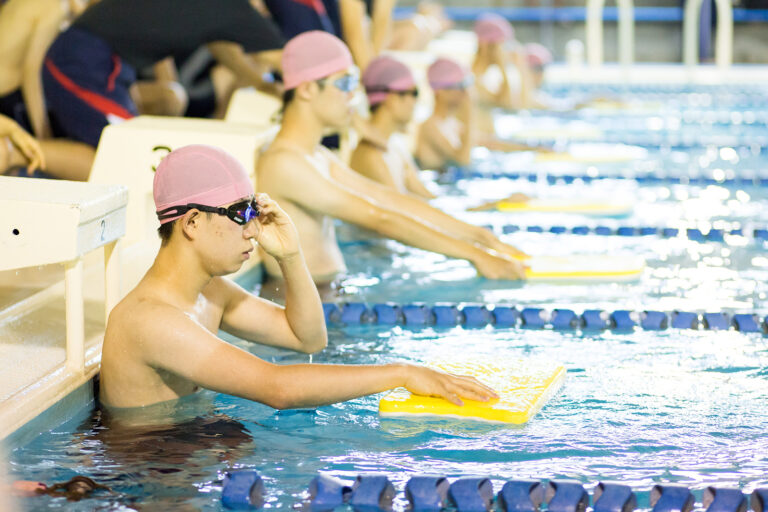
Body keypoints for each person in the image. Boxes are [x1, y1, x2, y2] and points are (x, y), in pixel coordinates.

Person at [99, 144, 497, 411]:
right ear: (192, 222)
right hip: (151, 480)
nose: (252, 230)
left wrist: (291, 255)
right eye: (241, 214)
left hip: (185, 454)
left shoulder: (211, 293)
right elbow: (279, 388)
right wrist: (403, 373)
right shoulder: (152, 320)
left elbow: (307, 338)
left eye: (254, 212)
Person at [257, 31, 527, 287]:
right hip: (307, 303)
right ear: (306, 90)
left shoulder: (318, 156)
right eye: (345, 83)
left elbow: (389, 199)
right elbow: (380, 218)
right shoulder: (284, 162)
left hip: (330, 296)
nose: (354, 95)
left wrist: (481, 237)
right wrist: (476, 256)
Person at [42, 0, 285, 152]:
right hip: (82, 60)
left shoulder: (221, 10)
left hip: (111, 65)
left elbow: (222, 47)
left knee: (124, 148)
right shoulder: (236, 8)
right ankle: (16, 152)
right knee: (119, 151)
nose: (263, 9)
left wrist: (262, 85)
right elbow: (291, 61)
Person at [0, 0, 98, 180]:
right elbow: (31, 71)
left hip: (7, 93)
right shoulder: (55, 7)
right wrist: (41, 130)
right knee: (40, 150)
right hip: (7, 94)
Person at [416, 57, 548, 171]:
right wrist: (469, 114)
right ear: (440, 91)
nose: (465, 92)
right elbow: (463, 161)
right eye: (460, 86)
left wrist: (533, 149)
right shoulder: (430, 126)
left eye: (466, 85)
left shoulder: (451, 123)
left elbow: (490, 143)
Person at [350, 56, 435, 198]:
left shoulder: (395, 146)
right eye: (414, 93)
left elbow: (428, 198)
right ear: (392, 98)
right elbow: (400, 210)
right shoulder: (371, 156)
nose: (417, 101)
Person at [471, 13, 532, 110]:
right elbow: (509, 105)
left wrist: (521, 66)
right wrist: (503, 66)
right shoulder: (473, 80)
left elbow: (527, 102)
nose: (507, 51)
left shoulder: (493, 74)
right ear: (486, 46)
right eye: (503, 46)